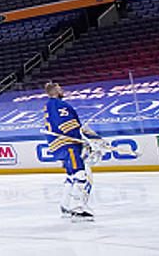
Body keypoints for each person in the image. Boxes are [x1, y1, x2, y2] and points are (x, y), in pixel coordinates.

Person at [44, 81, 98, 221]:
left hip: (58, 145)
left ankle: (65, 205)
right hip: (68, 144)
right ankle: (78, 209)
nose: (62, 90)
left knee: (71, 175)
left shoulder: (49, 105)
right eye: (59, 88)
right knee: (81, 173)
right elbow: (67, 125)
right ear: (55, 91)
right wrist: (82, 139)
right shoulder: (59, 104)